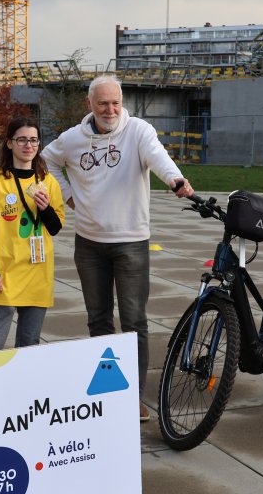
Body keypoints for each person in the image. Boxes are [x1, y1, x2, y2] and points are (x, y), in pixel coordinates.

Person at [41, 74, 194, 423]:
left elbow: (158, 157)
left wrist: (176, 180)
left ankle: (134, 396)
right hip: (89, 244)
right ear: (89, 105)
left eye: (115, 102)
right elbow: (46, 162)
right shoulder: (72, 139)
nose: (110, 109)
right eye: (103, 103)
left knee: (133, 322)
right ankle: (108, 390)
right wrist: (65, 194)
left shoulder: (137, 131)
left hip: (131, 242)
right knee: (98, 320)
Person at [0, 117, 65, 352]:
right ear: (9, 143)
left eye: (33, 140)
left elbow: (55, 228)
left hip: (37, 272)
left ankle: (23, 388)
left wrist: (45, 209)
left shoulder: (48, 182)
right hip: (4, 273)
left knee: (29, 345)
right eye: (21, 139)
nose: (28, 145)